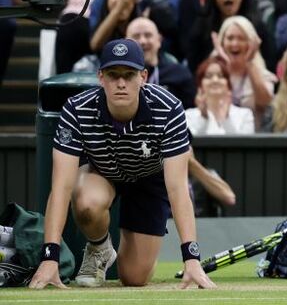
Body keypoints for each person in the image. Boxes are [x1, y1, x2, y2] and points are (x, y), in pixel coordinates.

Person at [28, 39, 214, 290]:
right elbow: (60, 188)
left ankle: (141, 253)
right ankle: (99, 248)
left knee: (134, 278)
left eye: (129, 75)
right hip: (101, 170)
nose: (121, 83)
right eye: (113, 75)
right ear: (100, 77)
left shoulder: (170, 108)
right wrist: (50, 257)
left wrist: (192, 259)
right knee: (86, 204)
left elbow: (178, 189)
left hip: (150, 176)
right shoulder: (76, 110)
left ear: (143, 77)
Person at [127, 17, 194, 109]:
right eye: (136, 36)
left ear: (159, 40)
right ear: (125, 42)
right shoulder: (118, 76)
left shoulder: (179, 73)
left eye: (148, 35)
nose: (142, 41)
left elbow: (190, 111)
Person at [185, 57, 255, 135]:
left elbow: (243, 145)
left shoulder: (245, 115)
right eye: (208, 76)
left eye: (220, 76)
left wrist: (227, 118)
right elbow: (191, 143)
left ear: (228, 84)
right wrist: (204, 117)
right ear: (200, 85)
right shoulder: (189, 115)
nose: (215, 80)